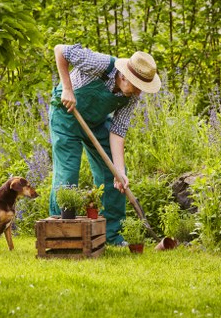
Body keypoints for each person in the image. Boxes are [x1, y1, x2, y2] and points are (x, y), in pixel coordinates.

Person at [49, 43, 161, 245]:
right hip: (66, 115)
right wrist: (67, 89)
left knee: (116, 175)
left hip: (95, 122)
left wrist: (119, 171)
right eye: (137, 86)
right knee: (68, 173)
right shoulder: (101, 64)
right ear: (125, 76)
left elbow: (117, 131)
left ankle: (110, 234)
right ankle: (60, 232)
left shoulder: (131, 97)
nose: (138, 93)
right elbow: (60, 50)